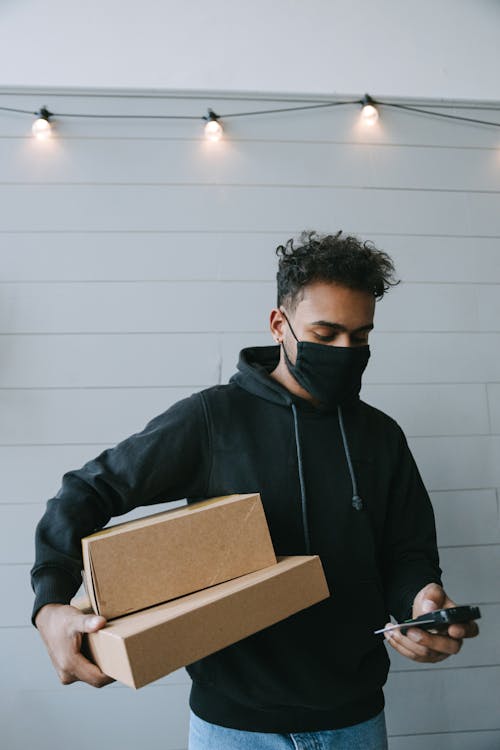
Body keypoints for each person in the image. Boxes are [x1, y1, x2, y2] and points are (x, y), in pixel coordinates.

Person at [31, 229, 479, 750]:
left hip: (355, 720)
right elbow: (85, 493)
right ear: (278, 324)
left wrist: (422, 602)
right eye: (326, 332)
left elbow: (408, 552)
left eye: (360, 337)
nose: (345, 350)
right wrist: (50, 603)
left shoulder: (381, 435)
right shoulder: (211, 419)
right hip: (233, 728)